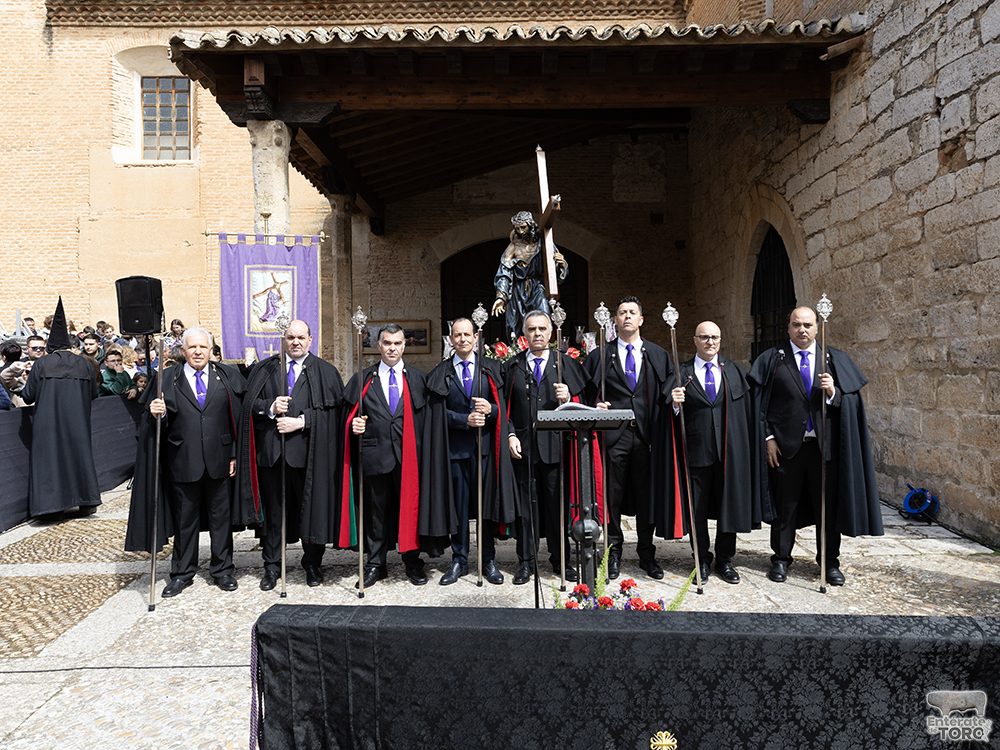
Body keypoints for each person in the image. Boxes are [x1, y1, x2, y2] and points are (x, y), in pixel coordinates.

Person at [748, 306, 883, 586]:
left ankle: (829, 563)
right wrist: (768, 439)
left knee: (828, 509)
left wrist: (833, 391)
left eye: (808, 325)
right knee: (786, 508)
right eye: (796, 325)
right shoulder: (773, 360)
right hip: (785, 449)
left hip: (825, 449)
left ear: (817, 328)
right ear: (788, 328)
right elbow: (759, 405)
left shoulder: (833, 360)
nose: (802, 330)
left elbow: (851, 403)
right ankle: (781, 560)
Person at [126, 327, 246, 597]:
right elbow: (154, 426)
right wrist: (157, 414)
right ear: (184, 349)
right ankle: (181, 573)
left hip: (220, 459)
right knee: (185, 521)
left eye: (203, 347)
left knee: (221, 520)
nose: (198, 352)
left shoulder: (226, 376)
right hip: (182, 460)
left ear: (211, 349)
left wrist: (235, 453)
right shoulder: (167, 378)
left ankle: (222, 570)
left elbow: (238, 418)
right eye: (192, 347)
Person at [237, 320, 346, 590]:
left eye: (300, 337)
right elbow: (249, 405)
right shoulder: (266, 369)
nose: (295, 342)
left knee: (311, 509)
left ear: (311, 339)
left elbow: (334, 413)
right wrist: (270, 407)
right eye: (290, 337)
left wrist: (303, 421)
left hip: (309, 456)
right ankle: (272, 566)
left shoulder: (326, 371)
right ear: (283, 340)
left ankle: (312, 563)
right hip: (273, 455)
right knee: (274, 514)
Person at [344, 323, 453, 588]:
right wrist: (353, 426)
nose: (392, 348)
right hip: (375, 456)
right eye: (387, 343)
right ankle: (375, 564)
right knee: (376, 514)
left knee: (410, 511)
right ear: (378, 345)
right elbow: (345, 416)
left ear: (404, 346)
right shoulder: (363, 378)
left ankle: (413, 562)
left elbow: (430, 422)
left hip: (409, 459)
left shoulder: (418, 379)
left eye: (397, 343)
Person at [587, 296, 675, 580]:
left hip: (647, 437)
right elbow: (586, 391)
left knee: (646, 497)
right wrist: (595, 404)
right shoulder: (600, 355)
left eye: (632, 312)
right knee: (612, 497)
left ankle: (647, 554)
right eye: (622, 312)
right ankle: (613, 553)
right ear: (614, 320)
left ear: (641, 320)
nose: (627, 317)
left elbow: (668, 395)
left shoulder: (658, 355)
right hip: (614, 438)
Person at [670, 321, 760, 585]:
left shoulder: (734, 371)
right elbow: (667, 414)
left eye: (715, 338)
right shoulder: (681, 371)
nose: (711, 342)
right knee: (696, 511)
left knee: (728, 507)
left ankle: (724, 559)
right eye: (705, 337)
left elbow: (745, 414)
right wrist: (674, 405)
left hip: (728, 453)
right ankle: (701, 559)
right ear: (695, 340)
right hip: (696, 453)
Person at [427, 318, 514, 585]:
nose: (463, 339)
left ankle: (488, 559)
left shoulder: (492, 369)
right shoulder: (441, 372)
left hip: (486, 449)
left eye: (467, 335)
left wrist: (491, 411)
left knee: (486, 507)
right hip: (455, 451)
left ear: (476, 338)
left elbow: (503, 408)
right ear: (450, 339)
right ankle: (460, 560)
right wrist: (462, 420)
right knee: (460, 508)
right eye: (457, 335)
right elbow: (436, 412)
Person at [504, 310, 587, 585]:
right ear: (524, 335)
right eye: (531, 329)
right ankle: (526, 562)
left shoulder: (565, 365)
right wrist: (510, 435)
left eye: (542, 329)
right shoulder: (513, 366)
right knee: (525, 508)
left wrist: (570, 395)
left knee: (556, 507)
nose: (537, 333)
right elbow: (505, 408)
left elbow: (584, 405)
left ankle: (559, 559)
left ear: (551, 334)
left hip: (555, 447)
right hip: (523, 448)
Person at [20, 298, 101, 519]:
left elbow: (28, 397)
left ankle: (52, 507)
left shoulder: (42, 364)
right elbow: (94, 393)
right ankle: (87, 501)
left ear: (50, 346)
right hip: (78, 422)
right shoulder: (84, 363)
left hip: (49, 423)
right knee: (80, 457)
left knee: (51, 462)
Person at [491, 211, 568, 339]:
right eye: (517, 229)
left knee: (543, 315)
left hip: (538, 287)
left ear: (530, 225)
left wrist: (562, 264)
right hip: (518, 290)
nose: (521, 232)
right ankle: (516, 351)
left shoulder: (544, 243)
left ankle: (544, 347)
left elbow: (554, 266)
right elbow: (504, 272)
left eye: (523, 227)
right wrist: (501, 296)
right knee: (514, 324)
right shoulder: (513, 247)